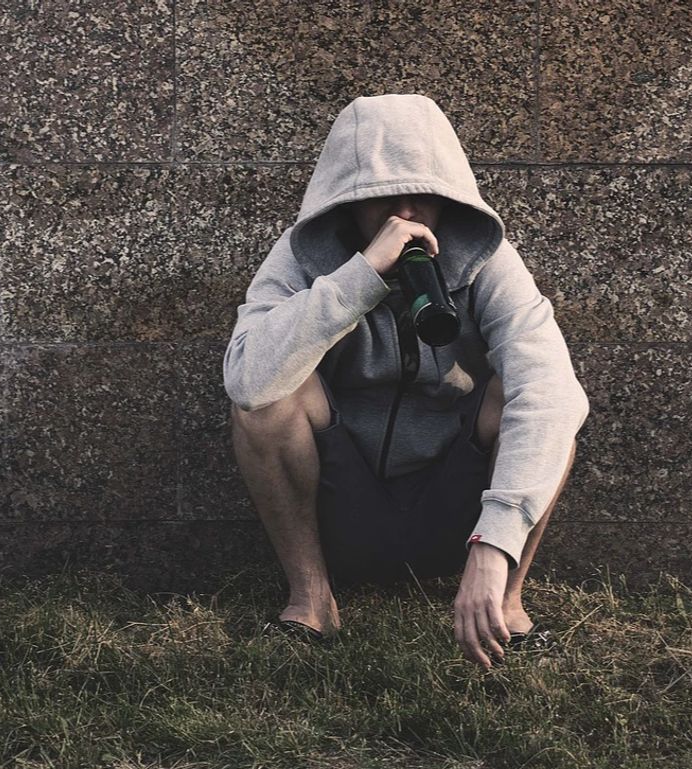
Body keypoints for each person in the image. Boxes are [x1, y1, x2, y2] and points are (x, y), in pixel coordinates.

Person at [224, 93, 590, 671]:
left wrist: (494, 543)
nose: (406, 212)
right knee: (271, 397)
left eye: (425, 194)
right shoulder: (301, 259)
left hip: (456, 503)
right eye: (380, 197)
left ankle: (506, 602)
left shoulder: (489, 262)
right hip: (342, 503)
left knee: (541, 407)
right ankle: (312, 601)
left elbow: (552, 391)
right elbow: (247, 382)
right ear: (345, 201)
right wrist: (361, 276)